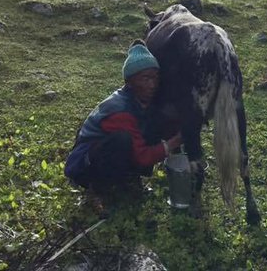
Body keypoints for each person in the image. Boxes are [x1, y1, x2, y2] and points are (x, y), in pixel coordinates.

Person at [65, 39, 182, 193]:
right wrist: (175, 142)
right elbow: (142, 156)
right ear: (130, 82)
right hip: (83, 168)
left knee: (154, 123)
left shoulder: (142, 102)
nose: (152, 85)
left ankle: (129, 177)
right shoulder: (120, 110)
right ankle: (99, 187)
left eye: (155, 78)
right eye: (145, 79)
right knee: (121, 140)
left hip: (107, 155)